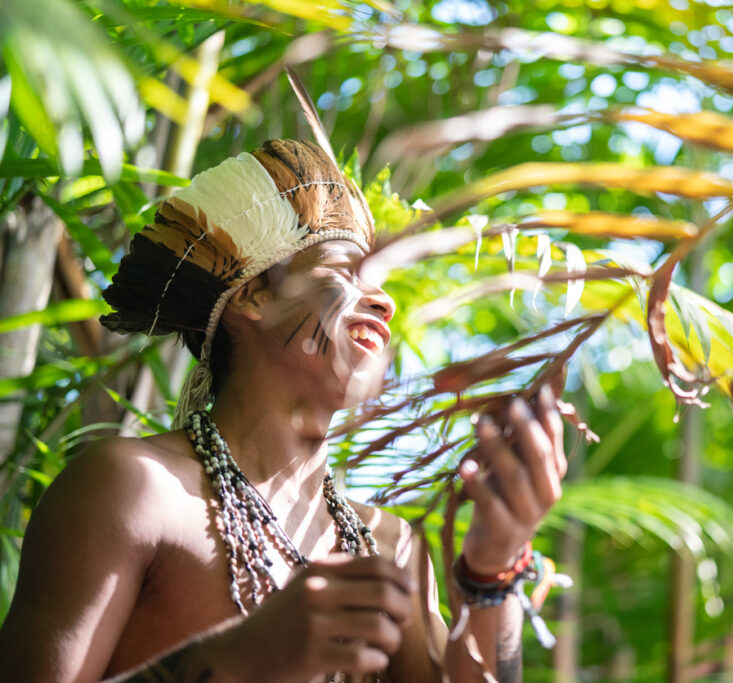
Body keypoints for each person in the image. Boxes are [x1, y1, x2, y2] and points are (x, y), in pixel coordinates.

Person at [0, 139, 567, 682]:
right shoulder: (135, 489)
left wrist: (491, 573)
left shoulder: (390, 545)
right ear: (252, 294)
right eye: (347, 272)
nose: (385, 301)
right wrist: (238, 661)